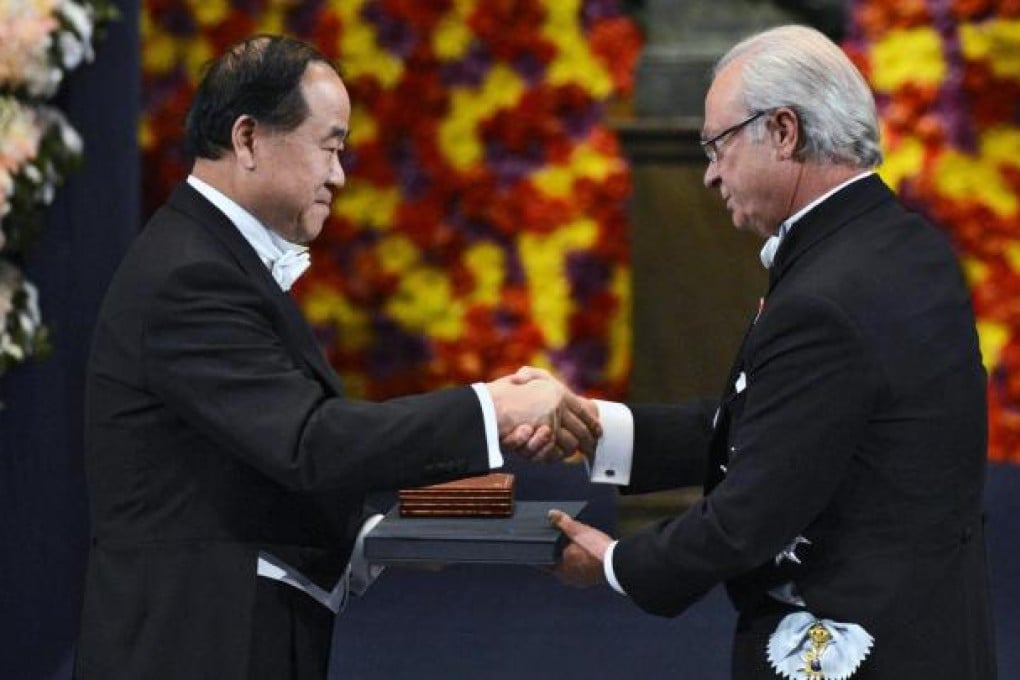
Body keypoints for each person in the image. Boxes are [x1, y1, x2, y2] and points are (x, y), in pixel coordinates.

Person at [76, 35, 597, 680]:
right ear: (247, 139)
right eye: (329, 147)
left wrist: (381, 533)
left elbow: (253, 459)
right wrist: (492, 407)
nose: (340, 175)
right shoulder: (192, 275)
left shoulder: (208, 256)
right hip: (197, 639)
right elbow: (308, 442)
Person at [539, 24, 996, 678]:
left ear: (784, 131)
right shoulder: (902, 244)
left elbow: (746, 519)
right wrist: (599, 431)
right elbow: (790, 425)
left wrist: (613, 564)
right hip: (930, 633)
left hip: (855, 649)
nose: (710, 173)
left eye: (717, 144)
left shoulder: (826, 296)